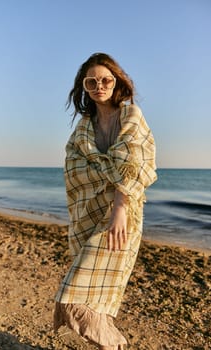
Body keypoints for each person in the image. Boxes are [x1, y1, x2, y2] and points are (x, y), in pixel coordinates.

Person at [53, 52, 157, 350]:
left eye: (106, 79)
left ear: (116, 82)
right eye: (91, 81)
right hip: (89, 211)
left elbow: (135, 163)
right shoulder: (83, 126)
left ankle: (114, 344)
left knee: (79, 294)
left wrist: (119, 210)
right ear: (83, 87)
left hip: (122, 215)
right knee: (89, 292)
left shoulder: (130, 115)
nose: (100, 85)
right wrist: (106, 173)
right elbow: (74, 165)